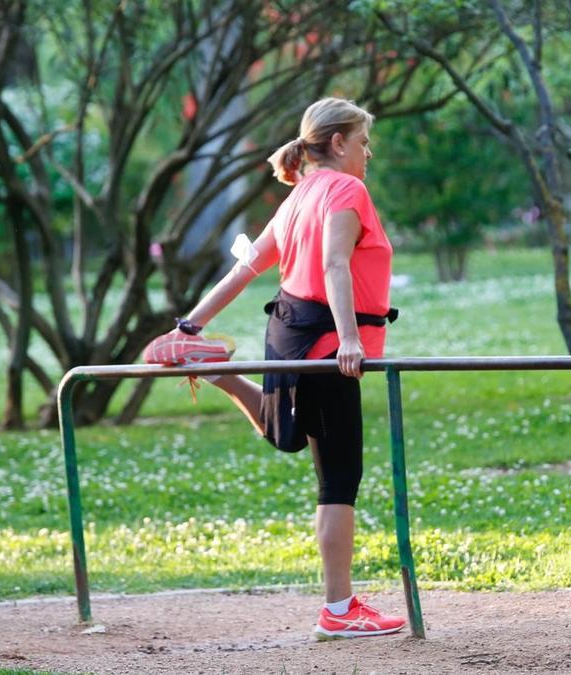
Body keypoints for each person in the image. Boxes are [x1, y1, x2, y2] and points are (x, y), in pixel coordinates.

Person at [145, 97, 406, 640]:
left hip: (287, 331)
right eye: (362, 142)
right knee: (339, 477)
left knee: (290, 435)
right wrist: (352, 341)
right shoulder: (344, 189)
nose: (367, 152)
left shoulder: (297, 197)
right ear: (337, 143)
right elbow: (335, 263)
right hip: (328, 341)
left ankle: (218, 372)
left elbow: (243, 271)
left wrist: (187, 328)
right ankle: (339, 610)